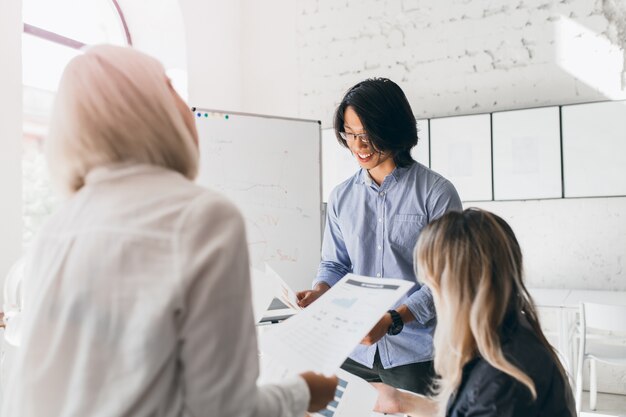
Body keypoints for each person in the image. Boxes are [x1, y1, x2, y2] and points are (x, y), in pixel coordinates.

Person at [1, 45, 337, 417]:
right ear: (151, 111)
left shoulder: (56, 229)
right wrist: (303, 393)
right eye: (170, 86)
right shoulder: (202, 218)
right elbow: (226, 409)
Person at [297, 78, 462, 394]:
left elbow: (446, 281)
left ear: (394, 129)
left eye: (367, 135)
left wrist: (392, 320)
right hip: (352, 351)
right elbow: (335, 263)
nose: (358, 145)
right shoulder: (341, 198)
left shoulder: (437, 194)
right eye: (351, 134)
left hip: (416, 354)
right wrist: (321, 290)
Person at [373, 208, 576, 417]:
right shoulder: (510, 336)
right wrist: (403, 402)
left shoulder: (501, 381)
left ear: (455, 289)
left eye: (432, 286)